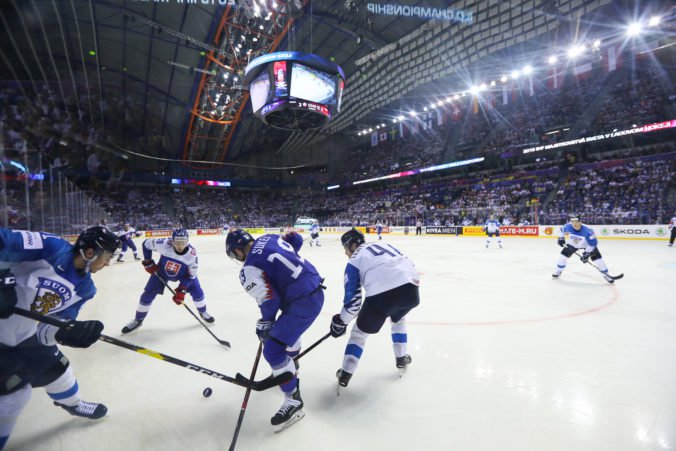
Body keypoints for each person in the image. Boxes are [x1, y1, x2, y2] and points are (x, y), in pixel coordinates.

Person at [0, 226, 120, 449]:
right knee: (14, 396)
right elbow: (4, 241)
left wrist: (69, 332)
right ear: (91, 252)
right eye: (107, 257)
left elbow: (47, 332)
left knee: (58, 369)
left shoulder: (86, 288)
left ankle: (73, 405)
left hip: (23, 333)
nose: (108, 263)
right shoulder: (51, 247)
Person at [225, 229, 325, 432]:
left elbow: (270, 299)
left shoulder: (249, 269)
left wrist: (266, 323)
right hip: (313, 287)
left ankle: (293, 399)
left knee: (272, 349)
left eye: (235, 254)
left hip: (301, 302)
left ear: (238, 250)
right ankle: (290, 369)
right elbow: (295, 240)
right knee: (286, 335)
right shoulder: (268, 237)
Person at [330, 229, 420, 388]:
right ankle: (401, 358)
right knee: (398, 318)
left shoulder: (353, 261)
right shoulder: (384, 244)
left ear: (353, 245)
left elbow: (353, 304)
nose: (345, 253)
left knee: (359, 333)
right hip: (411, 291)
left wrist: (341, 322)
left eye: (345, 248)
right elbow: (409, 263)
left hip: (382, 297)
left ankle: (345, 373)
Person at [121, 228, 214, 333]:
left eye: (183, 243)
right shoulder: (163, 243)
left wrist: (182, 290)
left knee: (197, 291)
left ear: (187, 242)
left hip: (184, 275)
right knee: (147, 294)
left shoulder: (192, 255)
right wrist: (148, 261)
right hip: (161, 272)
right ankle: (138, 319)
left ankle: (203, 312)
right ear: (172, 241)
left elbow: (191, 276)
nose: (180, 246)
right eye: (177, 243)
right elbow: (146, 244)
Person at [552, 215, 615, 283]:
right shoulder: (567, 226)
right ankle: (559, 271)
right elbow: (561, 230)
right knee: (562, 257)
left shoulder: (588, 230)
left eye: (576, 222)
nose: (574, 224)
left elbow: (593, 244)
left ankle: (606, 275)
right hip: (573, 244)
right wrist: (561, 239)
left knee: (598, 260)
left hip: (587, 245)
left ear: (580, 222)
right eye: (572, 222)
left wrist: (587, 253)